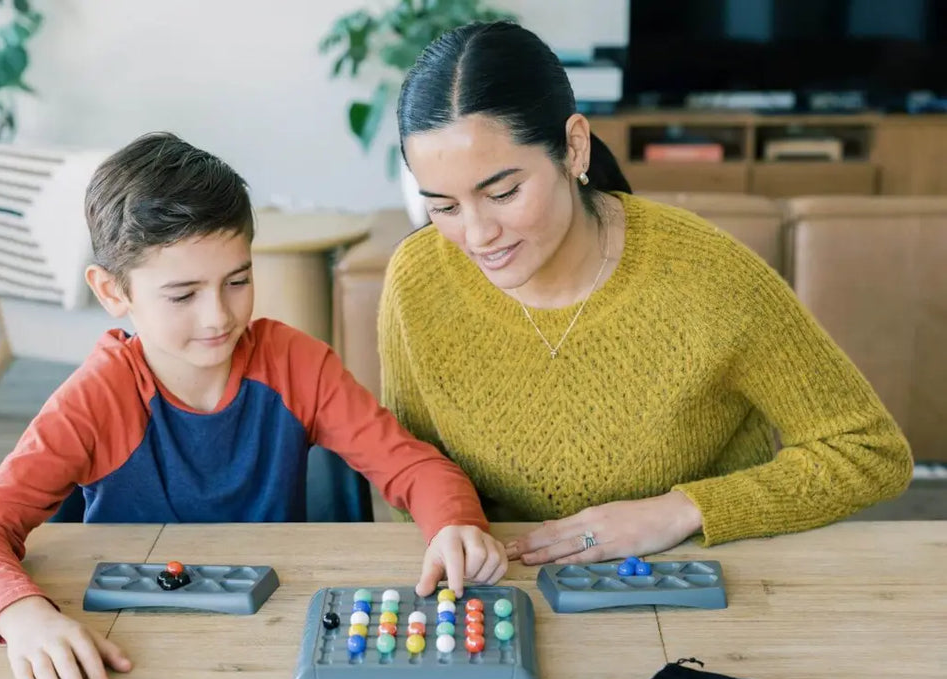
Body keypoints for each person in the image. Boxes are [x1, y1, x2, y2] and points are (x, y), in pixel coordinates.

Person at [0, 132, 507, 679]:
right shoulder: (96, 397)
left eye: (237, 281)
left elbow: (414, 467)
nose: (219, 317)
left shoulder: (295, 364)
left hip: (275, 639)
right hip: (130, 652)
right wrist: (25, 619)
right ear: (112, 291)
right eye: (182, 295)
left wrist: (452, 523)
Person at [381, 22, 912, 568]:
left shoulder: (709, 275)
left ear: (574, 148)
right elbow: (413, 463)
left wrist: (680, 511)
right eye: (443, 207)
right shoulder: (417, 279)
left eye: (504, 192)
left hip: (696, 586)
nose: (476, 234)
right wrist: (452, 528)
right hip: (505, 598)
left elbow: (868, 450)